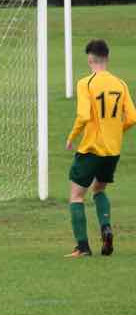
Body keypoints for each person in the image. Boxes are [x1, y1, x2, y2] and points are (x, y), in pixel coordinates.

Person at [65, 39, 136, 258]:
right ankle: (106, 228)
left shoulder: (85, 83)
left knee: (76, 196)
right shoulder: (120, 84)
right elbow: (132, 117)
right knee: (99, 189)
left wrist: (71, 137)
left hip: (91, 149)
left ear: (90, 59)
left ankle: (82, 247)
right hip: (112, 151)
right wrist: (116, 131)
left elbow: (83, 116)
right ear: (107, 58)